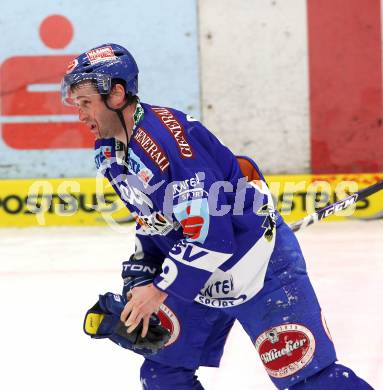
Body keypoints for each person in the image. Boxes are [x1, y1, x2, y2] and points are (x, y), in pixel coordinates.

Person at [61, 43, 373, 390]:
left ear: (116, 94)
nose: (81, 115)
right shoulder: (109, 150)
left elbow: (213, 235)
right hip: (199, 277)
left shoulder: (167, 142)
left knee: (309, 380)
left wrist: (160, 289)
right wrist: (143, 271)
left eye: (86, 103)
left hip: (257, 268)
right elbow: (152, 216)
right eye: (77, 105)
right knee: (164, 374)